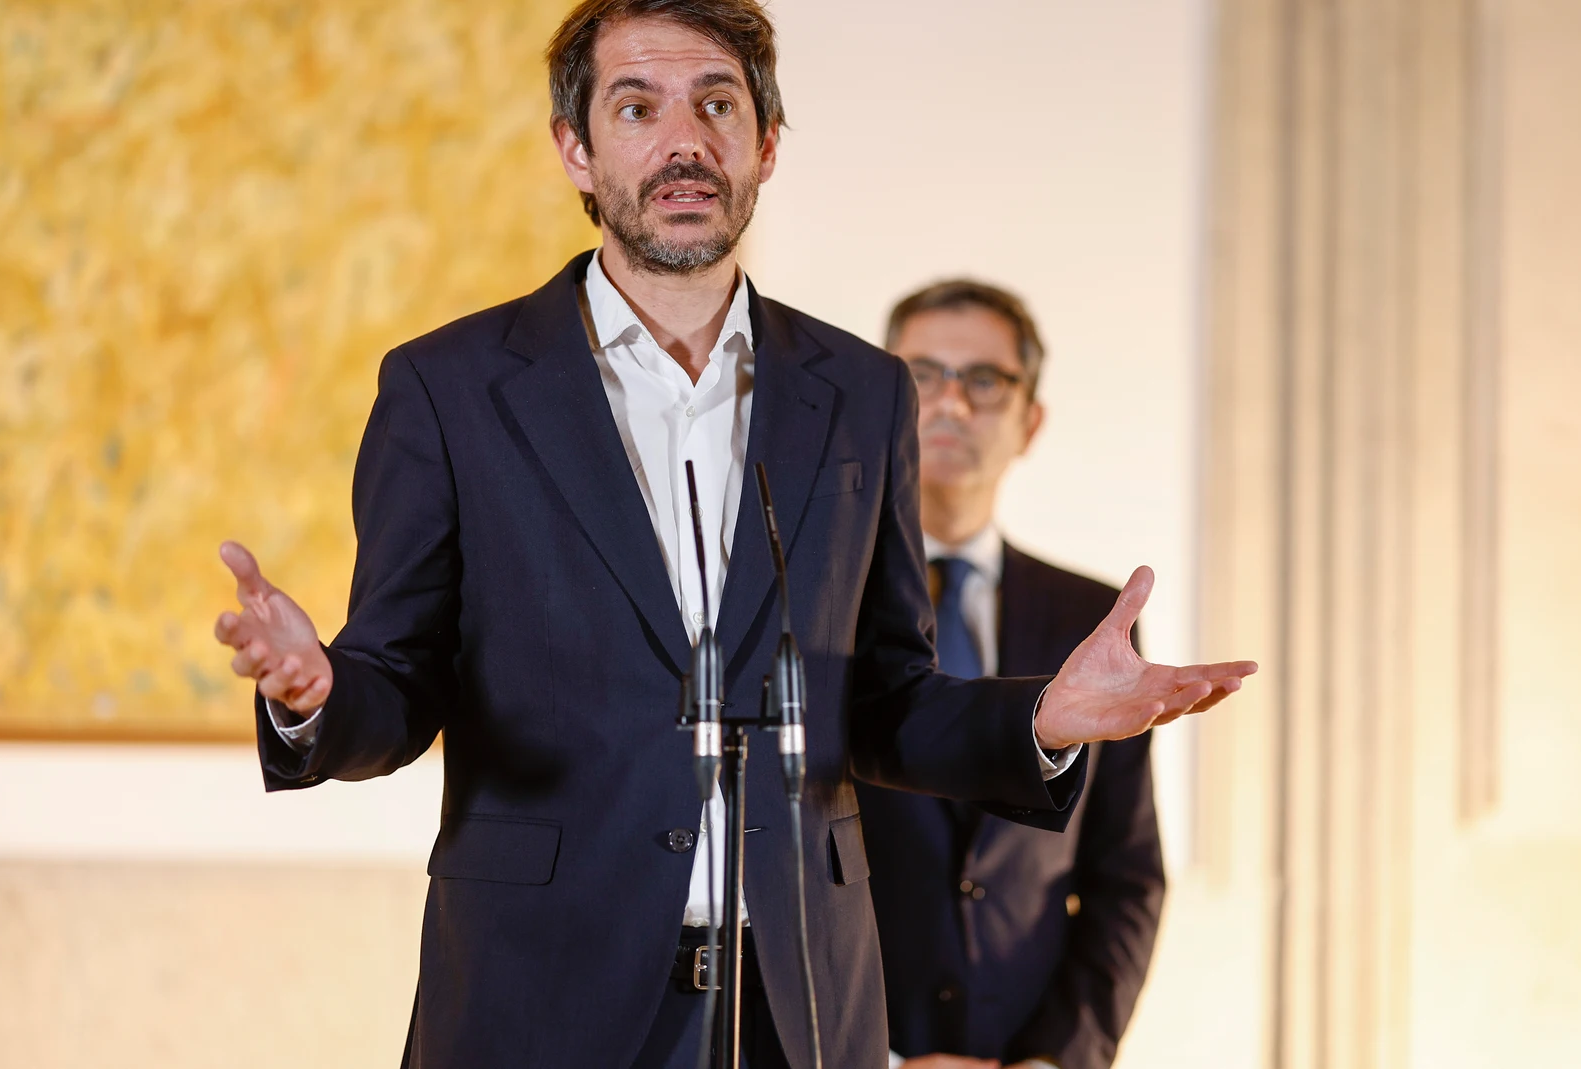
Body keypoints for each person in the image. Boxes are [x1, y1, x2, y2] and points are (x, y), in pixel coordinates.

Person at [210, 2, 1254, 1065]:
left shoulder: (861, 392)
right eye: (637, 108)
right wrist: (318, 695)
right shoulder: (449, 388)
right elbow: (398, 682)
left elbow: (885, 702)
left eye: (717, 105)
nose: (685, 141)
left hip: (797, 1002)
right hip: (541, 992)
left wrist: (1041, 719)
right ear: (575, 148)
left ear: (766, 146)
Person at [859, 282, 1167, 1069]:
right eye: (921, 374)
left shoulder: (1093, 621)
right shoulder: (814, 604)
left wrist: (1055, 1059)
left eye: (985, 380)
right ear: (878, 405)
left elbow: (1127, 876)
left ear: (1030, 421)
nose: (952, 402)